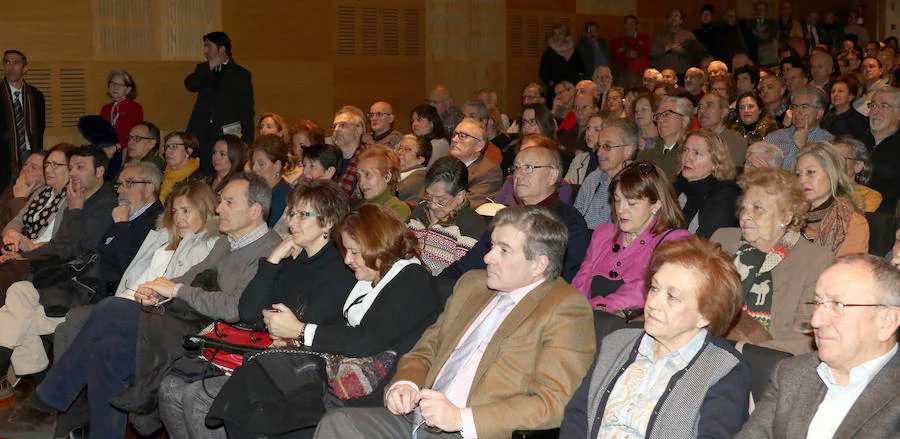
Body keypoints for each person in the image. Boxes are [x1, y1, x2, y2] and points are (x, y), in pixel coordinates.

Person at [32, 174, 281, 438]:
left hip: (212, 339)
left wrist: (174, 290)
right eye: (221, 202)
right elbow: (188, 278)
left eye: (229, 203)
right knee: (107, 351)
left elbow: (234, 309)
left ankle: (48, 400)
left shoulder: (268, 251)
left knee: (111, 309)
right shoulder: (225, 243)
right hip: (184, 322)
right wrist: (158, 291)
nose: (219, 209)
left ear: (255, 211)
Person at [315, 205, 596, 439]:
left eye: (504, 250)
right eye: (492, 245)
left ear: (539, 265)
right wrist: (407, 383)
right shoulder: (473, 285)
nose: (487, 257)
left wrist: (463, 418)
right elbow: (427, 348)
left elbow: (552, 403)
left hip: (472, 429)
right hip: (420, 418)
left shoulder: (565, 308)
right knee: (337, 425)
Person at [159, 180, 356, 439]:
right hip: (266, 357)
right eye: (291, 213)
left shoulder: (341, 268)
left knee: (198, 396)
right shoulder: (290, 262)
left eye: (302, 215)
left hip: (305, 370)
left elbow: (311, 328)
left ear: (328, 222)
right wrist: (273, 259)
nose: (291, 222)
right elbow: (250, 312)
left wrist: (287, 326)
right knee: (170, 387)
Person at [561, 236, 752, 439]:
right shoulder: (616, 344)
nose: (653, 303)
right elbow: (578, 416)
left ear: (705, 315)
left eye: (672, 297)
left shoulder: (723, 370)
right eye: (654, 288)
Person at [0, 162, 165, 392]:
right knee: (18, 292)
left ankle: (41, 381)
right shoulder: (121, 213)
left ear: (149, 188)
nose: (121, 190)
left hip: (103, 294)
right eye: (119, 184)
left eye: (129, 183)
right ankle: (44, 382)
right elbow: (90, 251)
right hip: (81, 283)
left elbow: (128, 265)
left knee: (16, 315)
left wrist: (122, 226)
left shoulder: (157, 221)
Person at [736, 255, 900, 438]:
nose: (816, 320)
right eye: (817, 304)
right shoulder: (792, 374)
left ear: (887, 321)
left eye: (837, 305)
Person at [54, 180, 220, 362]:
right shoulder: (166, 244)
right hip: (139, 303)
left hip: (163, 315)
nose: (179, 219)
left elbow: (181, 294)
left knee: (78, 319)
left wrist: (117, 305)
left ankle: (63, 388)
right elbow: (139, 281)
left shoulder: (208, 247)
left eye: (186, 211)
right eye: (175, 212)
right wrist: (118, 302)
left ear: (205, 211)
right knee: (65, 329)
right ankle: (68, 388)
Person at [711, 167, 834, 354]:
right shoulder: (723, 240)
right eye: (744, 207)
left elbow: (806, 337)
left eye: (758, 208)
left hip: (766, 361)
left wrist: (744, 350)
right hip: (704, 348)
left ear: (786, 216)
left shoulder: (814, 260)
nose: (745, 216)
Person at [440, 143, 589, 284]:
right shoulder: (508, 217)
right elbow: (468, 264)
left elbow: (562, 281)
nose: (519, 175)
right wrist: (439, 284)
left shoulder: (569, 222)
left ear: (552, 176)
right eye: (516, 168)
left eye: (529, 167)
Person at [0, 145, 116, 304]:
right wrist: (21, 252)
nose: (73, 172)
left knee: (11, 271)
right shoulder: (77, 197)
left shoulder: (105, 204)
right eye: (71, 167)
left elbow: (75, 249)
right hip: (50, 260)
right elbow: (59, 243)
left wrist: (26, 254)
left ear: (99, 171)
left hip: (75, 278)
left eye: (80, 167)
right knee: (10, 266)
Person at [573, 161, 689, 311]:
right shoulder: (603, 233)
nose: (620, 209)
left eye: (631, 203)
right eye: (617, 200)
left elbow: (642, 290)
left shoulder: (673, 241)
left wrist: (594, 307)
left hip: (627, 327)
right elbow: (580, 281)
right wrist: (575, 309)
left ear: (656, 205)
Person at [185, 32, 254, 175]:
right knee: (200, 171)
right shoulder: (203, 69)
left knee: (223, 171)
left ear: (221, 49)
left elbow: (246, 109)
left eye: (208, 47)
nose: (205, 51)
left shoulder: (241, 74)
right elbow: (190, 84)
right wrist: (209, 66)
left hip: (226, 133)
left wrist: (247, 140)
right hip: (201, 133)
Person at [407, 157, 485, 276]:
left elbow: (459, 274)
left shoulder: (471, 223)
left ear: (460, 196)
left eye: (441, 200)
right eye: (429, 197)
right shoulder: (420, 210)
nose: (432, 205)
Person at [795, 142, 869, 256]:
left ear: (832, 174)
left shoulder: (853, 224)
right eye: (798, 174)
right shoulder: (789, 216)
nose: (802, 180)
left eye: (811, 172)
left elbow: (846, 272)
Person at [674, 129, 739, 238]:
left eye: (697, 153)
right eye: (685, 150)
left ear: (715, 163)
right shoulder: (676, 187)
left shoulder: (725, 196)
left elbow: (707, 243)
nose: (687, 158)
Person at [573, 119, 638, 229]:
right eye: (599, 146)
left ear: (628, 151)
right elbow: (574, 219)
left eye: (607, 147)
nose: (599, 153)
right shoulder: (592, 178)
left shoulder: (637, 183)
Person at [0, 50, 45, 192]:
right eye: (7, 62)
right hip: (4, 158)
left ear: (25, 69)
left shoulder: (36, 96)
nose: (10, 67)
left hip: (30, 155)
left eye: (16, 63)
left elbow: (40, 128)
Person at [764, 86, 835, 168]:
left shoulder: (828, 143)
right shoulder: (774, 137)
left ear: (819, 113)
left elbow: (825, 173)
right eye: (794, 107)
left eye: (804, 107)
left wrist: (803, 147)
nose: (797, 112)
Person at [448, 117, 502, 208]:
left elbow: (469, 205)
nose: (454, 139)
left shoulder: (489, 171)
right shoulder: (445, 164)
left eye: (462, 136)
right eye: (455, 134)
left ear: (479, 145)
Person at [637, 96, 694, 180]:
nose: (660, 120)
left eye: (667, 114)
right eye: (658, 116)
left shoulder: (690, 156)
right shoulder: (646, 155)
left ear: (684, 121)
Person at [351, 144, 410, 220]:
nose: (361, 182)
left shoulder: (398, 209)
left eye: (367, 174)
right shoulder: (356, 208)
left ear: (387, 176)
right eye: (359, 176)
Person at [867, 87, 900, 214]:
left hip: (883, 216)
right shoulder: (857, 139)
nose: (876, 111)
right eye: (873, 105)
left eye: (884, 106)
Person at [100, 70, 143, 165]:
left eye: (120, 85)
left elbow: (135, 134)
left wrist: (116, 147)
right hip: (106, 153)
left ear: (128, 90)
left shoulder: (135, 108)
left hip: (125, 153)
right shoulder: (105, 109)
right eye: (113, 83)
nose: (115, 87)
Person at [250, 134, 291, 227]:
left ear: (277, 166)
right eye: (253, 163)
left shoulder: (282, 196)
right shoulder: (263, 191)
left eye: (261, 164)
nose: (254, 169)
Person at [832, 135, 881, 212]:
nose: (833, 162)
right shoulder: (817, 189)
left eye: (841, 158)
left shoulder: (869, 196)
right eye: (830, 157)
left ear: (858, 166)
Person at [698, 93, 748, 166]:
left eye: (709, 105)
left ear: (724, 112)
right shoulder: (692, 138)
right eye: (699, 107)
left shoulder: (735, 140)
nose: (702, 110)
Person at [540, 24, 584, 105]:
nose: (557, 37)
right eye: (555, 34)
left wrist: (578, 81)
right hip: (555, 90)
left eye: (560, 34)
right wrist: (550, 83)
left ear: (565, 35)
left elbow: (581, 68)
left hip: (572, 88)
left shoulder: (575, 50)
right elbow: (543, 72)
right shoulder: (549, 52)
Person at [821, 75, 873, 143]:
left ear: (850, 96)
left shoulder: (859, 120)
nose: (835, 94)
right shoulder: (825, 117)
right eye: (833, 91)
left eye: (840, 91)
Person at [649, 9, 702, 76]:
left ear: (681, 20)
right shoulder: (659, 35)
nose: (673, 18)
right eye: (671, 16)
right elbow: (652, 54)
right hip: (663, 73)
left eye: (676, 16)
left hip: (682, 72)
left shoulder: (688, 35)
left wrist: (682, 50)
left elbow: (697, 54)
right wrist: (665, 49)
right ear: (668, 19)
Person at [0, 150, 44, 229]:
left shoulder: (43, 196)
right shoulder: (11, 188)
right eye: (26, 164)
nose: (25, 169)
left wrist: (19, 199)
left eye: (34, 167)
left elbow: (24, 228)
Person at [331, 106, 367, 195]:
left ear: (358, 130)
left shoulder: (368, 160)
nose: (336, 130)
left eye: (343, 125)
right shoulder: (330, 158)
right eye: (334, 126)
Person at [158, 131, 201, 203]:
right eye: (166, 147)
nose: (167, 151)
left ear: (188, 150)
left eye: (174, 146)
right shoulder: (161, 175)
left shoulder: (197, 180)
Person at [611, 15, 650, 87]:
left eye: (632, 23)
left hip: (639, 74)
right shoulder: (618, 40)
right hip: (622, 73)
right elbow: (615, 55)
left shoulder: (643, 37)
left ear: (636, 25)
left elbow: (644, 49)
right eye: (627, 23)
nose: (629, 26)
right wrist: (627, 54)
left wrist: (625, 49)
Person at [395, 135, 430, 204]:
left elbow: (396, 193)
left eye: (407, 149)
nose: (399, 152)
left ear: (420, 159)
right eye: (400, 148)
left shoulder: (420, 176)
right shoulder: (396, 171)